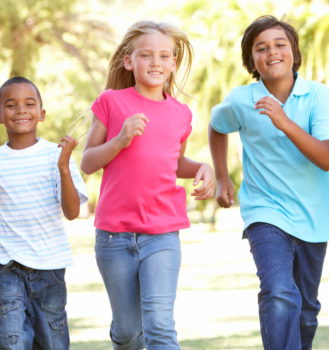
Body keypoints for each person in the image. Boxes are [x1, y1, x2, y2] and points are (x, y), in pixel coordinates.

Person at [209, 15, 329, 350]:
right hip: (264, 212)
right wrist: (222, 176)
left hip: (314, 216)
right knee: (278, 293)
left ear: (294, 52)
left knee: (306, 310)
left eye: (280, 44)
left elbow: (327, 159)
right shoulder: (242, 99)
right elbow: (216, 126)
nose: (272, 52)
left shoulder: (318, 96)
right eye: (261, 47)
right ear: (251, 59)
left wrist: (284, 122)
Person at [80, 20, 215, 350]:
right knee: (128, 332)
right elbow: (87, 163)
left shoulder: (181, 114)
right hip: (114, 236)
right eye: (146, 55)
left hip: (162, 234)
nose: (156, 62)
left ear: (172, 63)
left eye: (164, 56)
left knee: (159, 324)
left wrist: (204, 167)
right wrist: (120, 139)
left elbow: (175, 162)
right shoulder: (111, 102)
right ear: (129, 61)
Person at [0, 76, 88, 350]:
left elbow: (72, 212)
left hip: (50, 266)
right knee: (12, 340)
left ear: (41, 114)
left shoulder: (56, 156)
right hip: (7, 263)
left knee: (52, 344)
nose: (21, 110)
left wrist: (64, 167)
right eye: (11, 105)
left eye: (29, 104)